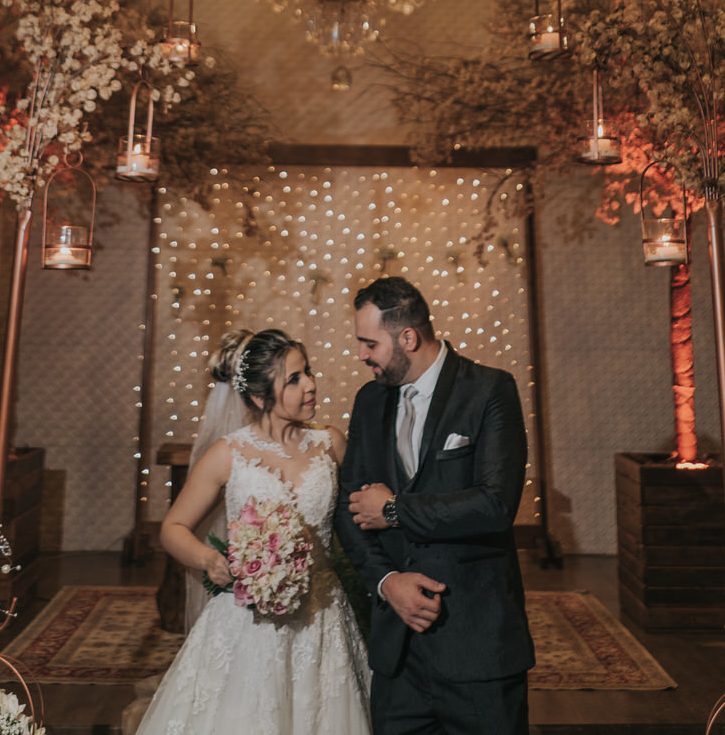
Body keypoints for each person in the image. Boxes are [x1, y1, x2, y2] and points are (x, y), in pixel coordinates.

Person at [135, 327, 372, 735]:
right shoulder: (228, 454)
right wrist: (210, 559)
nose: (312, 385)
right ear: (261, 397)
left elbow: (357, 522)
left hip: (321, 616)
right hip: (247, 619)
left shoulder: (330, 443)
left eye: (309, 372)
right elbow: (173, 528)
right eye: (295, 379)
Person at [336, 277, 535, 734]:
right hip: (398, 656)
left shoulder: (489, 390)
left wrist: (394, 510)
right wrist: (388, 582)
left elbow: (495, 504)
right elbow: (350, 512)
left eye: (369, 344)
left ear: (408, 338)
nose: (361, 355)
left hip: (478, 649)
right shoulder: (369, 401)